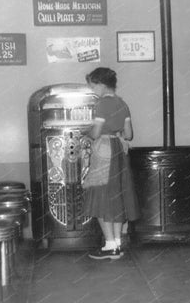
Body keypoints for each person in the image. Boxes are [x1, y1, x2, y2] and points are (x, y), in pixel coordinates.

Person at [82, 67, 140, 260]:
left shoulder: (102, 104)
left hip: (103, 150)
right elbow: (129, 134)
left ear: (101, 84)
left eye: (92, 86)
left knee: (100, 195)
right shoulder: (122, 104)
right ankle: (116, 244)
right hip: (118, 150)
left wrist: (84, 133)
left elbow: (96, 133)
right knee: (116, 196)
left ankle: (109, 245)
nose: (92, 90)